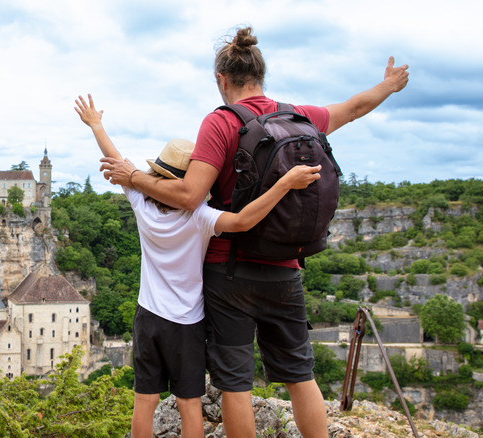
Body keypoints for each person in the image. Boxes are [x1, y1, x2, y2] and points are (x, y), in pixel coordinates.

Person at [99, 27, 409, 438]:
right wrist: (387, 86)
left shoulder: (221, 122)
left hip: (230, 272)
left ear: (221, 80)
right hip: (286, 266)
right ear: (261, 76)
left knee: (235, 382)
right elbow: (352, 108)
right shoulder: (298, 117)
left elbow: (190, 195)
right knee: (300, 374)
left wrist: (134, 177)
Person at [75, 93, 321, 438]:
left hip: (148, 316)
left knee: (143, 401)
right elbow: (243, 221)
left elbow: (118, 162)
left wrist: (96, 126)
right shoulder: (199, 217)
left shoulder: (142, 205)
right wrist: (284, 183)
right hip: (186, 323)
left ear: (158, 176)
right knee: (189, 403)